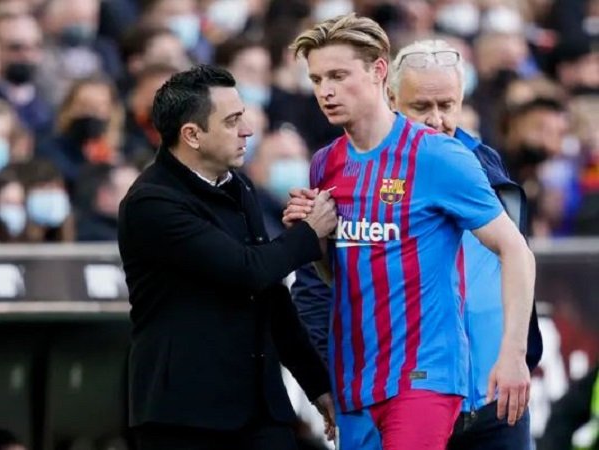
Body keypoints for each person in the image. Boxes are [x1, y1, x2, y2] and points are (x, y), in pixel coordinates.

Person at [284, 14, 535, 450]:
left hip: (425, 374)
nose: (326, 90)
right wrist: (313, 238)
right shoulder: (326, 163)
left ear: (379, 72)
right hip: (357, 377)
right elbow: (334, 273)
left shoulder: (439, 156)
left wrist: (514, 354)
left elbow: (516, 251)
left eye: (339, 75)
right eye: (318, 78)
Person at [118, 64, 338, 450]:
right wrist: (309, 232)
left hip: (260, 411)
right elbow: (245, 270)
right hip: (185, 415)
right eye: (232, 121)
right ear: (192, 135)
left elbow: (271, 294)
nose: (247, 131)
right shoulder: (152, 202)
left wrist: (317, 384)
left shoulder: (239, 186)